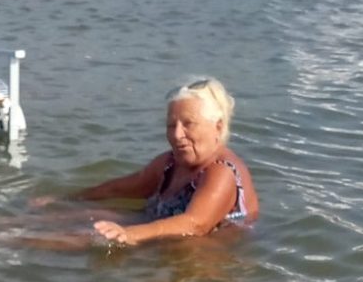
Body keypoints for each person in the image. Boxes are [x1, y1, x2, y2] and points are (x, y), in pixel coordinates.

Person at [58, 78, 258, 246]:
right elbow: (120, 189)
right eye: (171, 125)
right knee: (92, 214)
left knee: (87, 240)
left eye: (188, 124)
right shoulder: (170, 163)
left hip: (203, 253)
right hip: (157, 227)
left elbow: (194, 224)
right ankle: (28, 226)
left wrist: (129, 234)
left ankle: (29, 246)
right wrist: (68, 199)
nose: (177, 135)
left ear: (218, 126)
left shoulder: (222, 172)